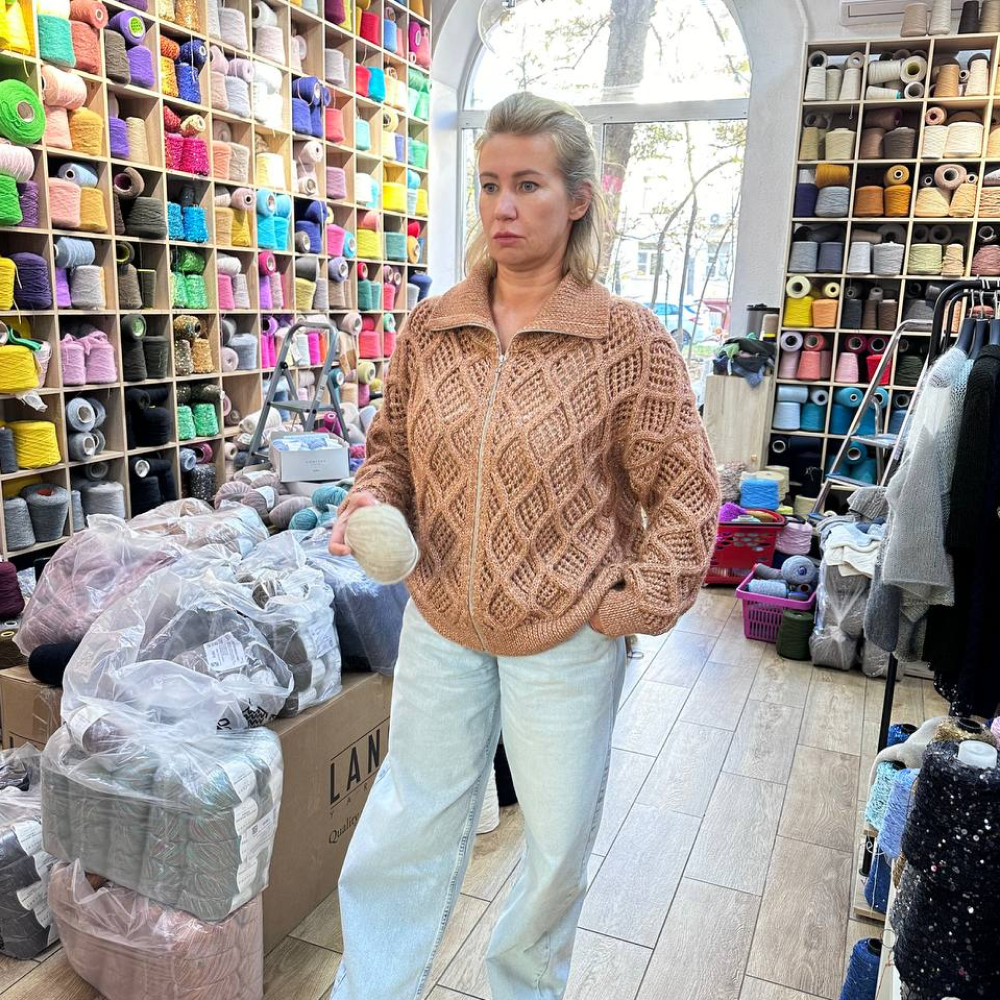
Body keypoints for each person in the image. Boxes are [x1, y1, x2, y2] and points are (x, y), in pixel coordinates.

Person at [327, 91, 720, 1000]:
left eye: (529, 185)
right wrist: (374, 499)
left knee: (554, 845)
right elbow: (391, 449)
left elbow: (688, 490)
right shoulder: (433, 326)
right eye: (489, 184)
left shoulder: (625, 340)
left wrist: (628, 605)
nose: (503, 207)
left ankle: (522, 990)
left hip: (564, 636)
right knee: (405, 824)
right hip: (441, 621)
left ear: (578, 199)